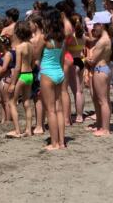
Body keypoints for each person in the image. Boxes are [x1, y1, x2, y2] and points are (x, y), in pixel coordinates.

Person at [34, 8, 67, 150]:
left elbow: (35, 56)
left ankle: (54, 143)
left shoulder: (44, 38)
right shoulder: (61, 38)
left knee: (51, 110)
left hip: (47, 73)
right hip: (59, 72)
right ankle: (62, 142)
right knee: (59, 110)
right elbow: (61, 58)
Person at [84, 12, 113, 137]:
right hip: (106, 67)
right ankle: (101, 124)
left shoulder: (102, 41)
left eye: (96, 24)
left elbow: (92, 60)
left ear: (101, 25)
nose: (94, 27)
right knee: (103, 99)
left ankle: (105, 128)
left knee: (103, 101)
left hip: (100, 69)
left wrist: (84, 59)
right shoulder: (107, 38)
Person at [6, 21, 35, 138]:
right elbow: (33, 62)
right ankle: (28, 129)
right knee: (27, 102)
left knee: (12, 102)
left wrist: (13, 83)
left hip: (22, 75)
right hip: (30, 75)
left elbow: (17, 67)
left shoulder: (19, 47)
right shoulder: (31, 45)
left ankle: (17, 130)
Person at [28, 14, 45, 135]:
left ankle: (39, 125)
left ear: (35, 24)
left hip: (37, 69)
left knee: (37, 98)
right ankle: (41, 123)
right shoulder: (46, 36)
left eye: (30, 24)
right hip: (46, 68)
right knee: (41, 97)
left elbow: (35, 58)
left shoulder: (35, 40)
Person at [67, 13, 86, 124]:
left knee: (76, 91)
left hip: (73, 62)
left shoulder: (71, 37)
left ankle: (79, 116)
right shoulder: (82, 35)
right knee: (80, 90)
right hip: (80, 61)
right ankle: (80, 113)